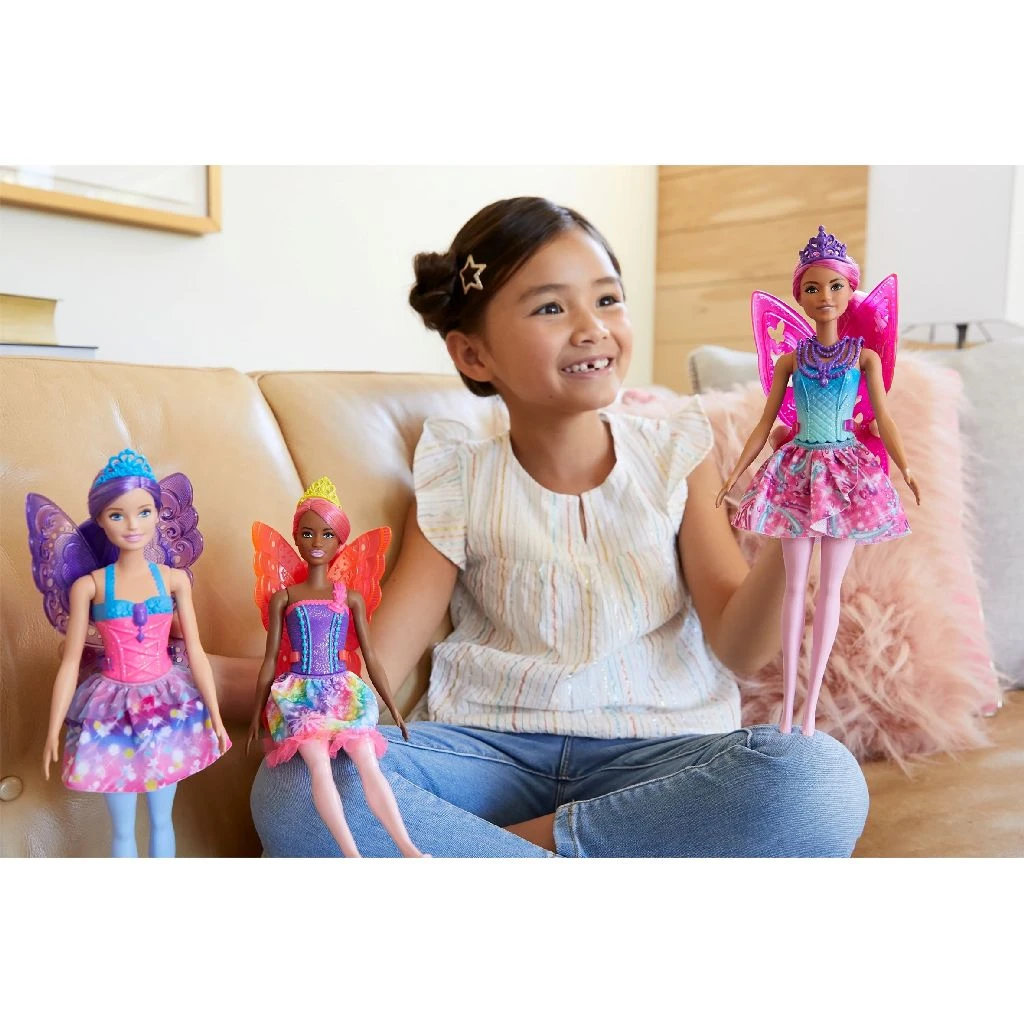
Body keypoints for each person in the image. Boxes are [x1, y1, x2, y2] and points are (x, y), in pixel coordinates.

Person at [246, 197, 869, 857]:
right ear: (473, 354)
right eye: (550, 308)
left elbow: (742, 650)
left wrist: (795, 524)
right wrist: (208, 672)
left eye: (608, 299)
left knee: (817, 780)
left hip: (659, 758)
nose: (592, 328)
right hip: (485, 753)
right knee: (299, 783)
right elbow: (371, 674)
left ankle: (491, 855)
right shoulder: (456, 474)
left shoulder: (676, 455)